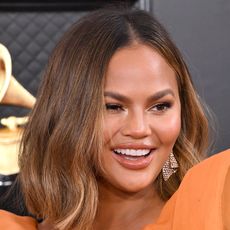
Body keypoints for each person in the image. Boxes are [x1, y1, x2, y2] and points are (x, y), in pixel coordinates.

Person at [0, 7, 229, 230]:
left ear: (183, 111)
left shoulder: (213, 209)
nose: (139, 129)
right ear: (67, 114)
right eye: (113, 107)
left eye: (160, 106)